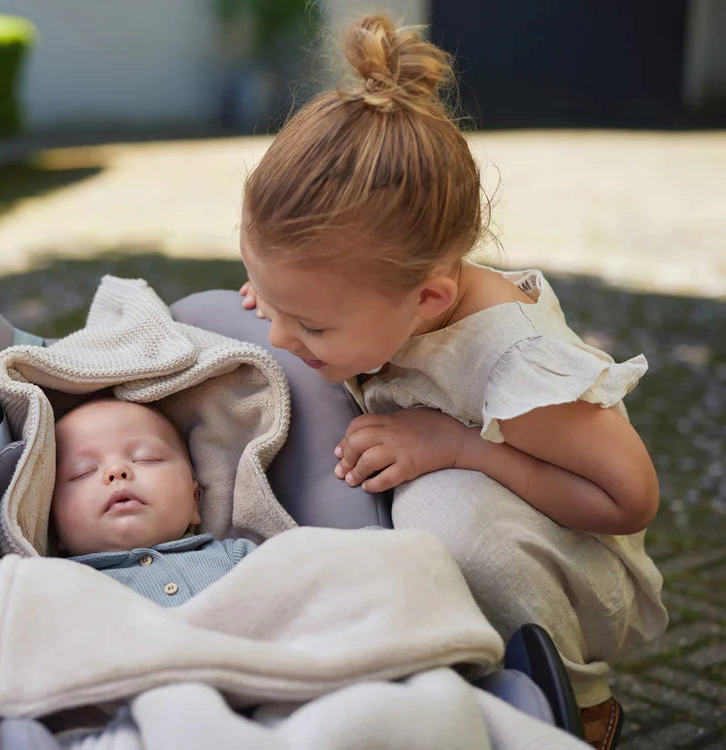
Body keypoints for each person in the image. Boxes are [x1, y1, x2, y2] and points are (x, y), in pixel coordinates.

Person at [235, 13, 666, 750]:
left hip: (567, 573)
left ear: (428, 299)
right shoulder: (370, 289)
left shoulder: (511, 366)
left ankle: (576, 702)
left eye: (309, 324)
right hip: (478, 498)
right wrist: (285, 301)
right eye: (271, 299)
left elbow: (629, 500)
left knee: (447, 517)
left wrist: (461, 447)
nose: (280, 335)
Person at [49, 397, 255, 607]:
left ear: (194, 500)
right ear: (54, 527)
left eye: (146, 458)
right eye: (83, 472)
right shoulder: (53, 590)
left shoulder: (238, 558)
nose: (116, 471)